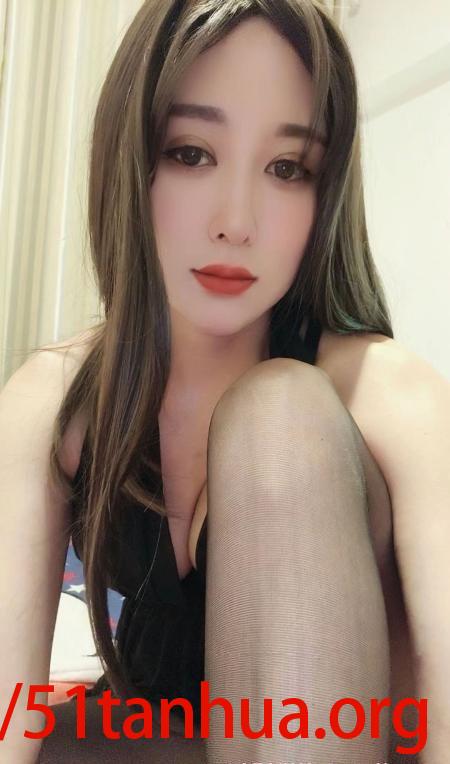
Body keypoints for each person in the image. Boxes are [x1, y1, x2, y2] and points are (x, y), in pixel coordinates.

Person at [1, 1, 448, 762]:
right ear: (130, 162)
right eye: (191, 153)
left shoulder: (392, 399)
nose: (236, 222)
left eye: (287, 168)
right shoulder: (58, 401)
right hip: (141, 739)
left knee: (280, 415)